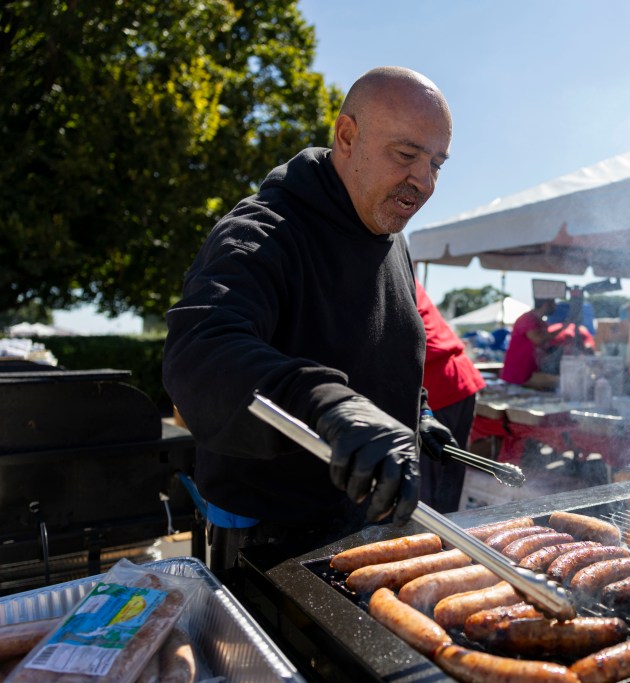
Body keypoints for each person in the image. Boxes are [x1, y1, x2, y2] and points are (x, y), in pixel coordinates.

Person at [162, 66, 459, 571]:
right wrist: (323, 405)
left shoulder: (393, 242)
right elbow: (200, 351)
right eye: (406, 155)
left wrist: (419, 413)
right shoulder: (263, 230)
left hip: (367, 521)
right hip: (268, 539)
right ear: (347, 136)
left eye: (437, 163)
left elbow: (377, 346)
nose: (424, 181)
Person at [416, 279, 486, 513]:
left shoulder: (384, 265)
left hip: (435, 384)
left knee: (428, 486)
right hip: (460, 378)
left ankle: (437, 542)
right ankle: (446, 541)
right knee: (449, 476)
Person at [500, 298, 565, 389]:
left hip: (530, 372)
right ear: (546, 304)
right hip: (518, 374)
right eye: (553, 304)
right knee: (562, 381)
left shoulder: (541, 322)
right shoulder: (528, 318)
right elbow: (537, 339)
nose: (555, 307)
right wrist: (563, 327)